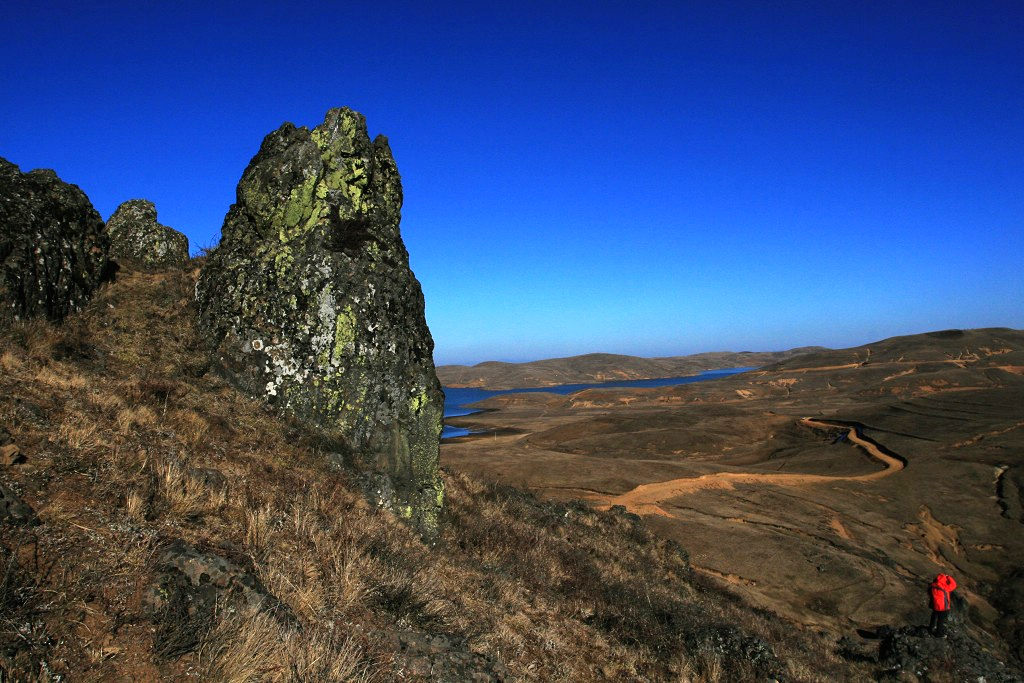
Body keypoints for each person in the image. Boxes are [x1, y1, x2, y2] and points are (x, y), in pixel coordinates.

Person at [928, 573, 957, 637]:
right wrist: (948, 577)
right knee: (941, 620)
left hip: (935, 605)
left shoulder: (932, 586)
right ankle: (939, 634)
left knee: (934, 617)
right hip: (943, 607)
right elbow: (954, 585)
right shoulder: (945, 587)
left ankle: (930, 629)